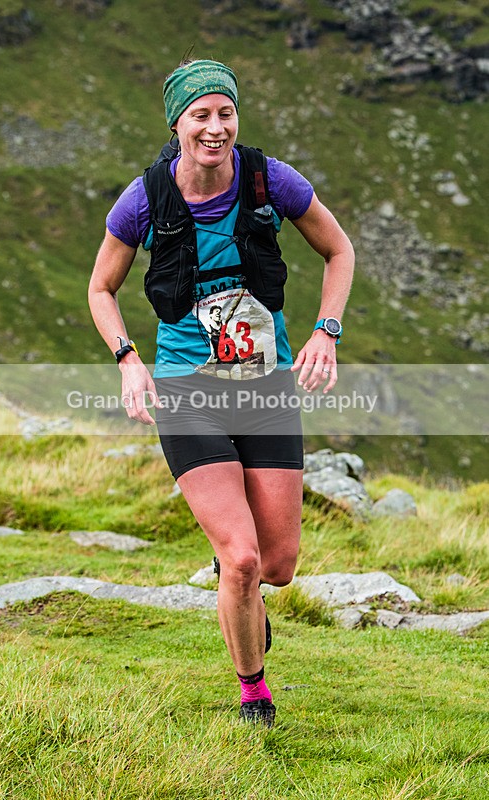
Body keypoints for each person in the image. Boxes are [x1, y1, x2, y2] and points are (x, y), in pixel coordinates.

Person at [88, 58, 354, 727]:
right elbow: (100, 289)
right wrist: (127, 359)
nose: (215, 127)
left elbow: (339, 251)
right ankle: (253, 692)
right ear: (178, 123)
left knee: (279, 566)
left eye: (225, 113)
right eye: (201, 115)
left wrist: (325, 332)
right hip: (186, 390)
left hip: (264, 385)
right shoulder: (145, 198)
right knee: (242, 560)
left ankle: (233, 571)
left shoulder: (270, 181)